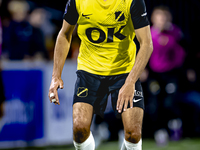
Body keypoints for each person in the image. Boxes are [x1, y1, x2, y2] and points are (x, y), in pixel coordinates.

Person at [48, 0, 153, 150]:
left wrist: (130, 82)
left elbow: (147, 43)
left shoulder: (131, 1)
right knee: (79, 129)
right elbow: (64, 34)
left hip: (124, 71)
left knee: (133, 134)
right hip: (89, 71)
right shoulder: (77, 1)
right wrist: (55, 76)